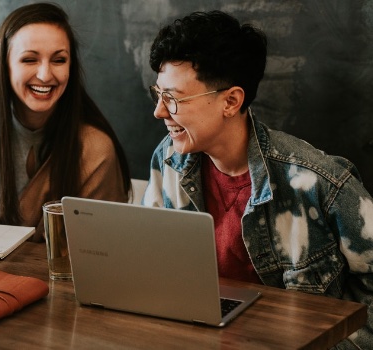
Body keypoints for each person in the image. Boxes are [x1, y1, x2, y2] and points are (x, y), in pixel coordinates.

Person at [143, 10, 373, 348]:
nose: (159, 112)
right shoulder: (169, 159)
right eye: (158, 94)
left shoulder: (318, 181)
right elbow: (150, 264)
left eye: (173, 98)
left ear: (231, 101)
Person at [0, 2, 132, 240]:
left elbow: (104, 251)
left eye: (59, 60)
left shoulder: (95, 149)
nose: (45, 75)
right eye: (29, 60)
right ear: (5, 66)